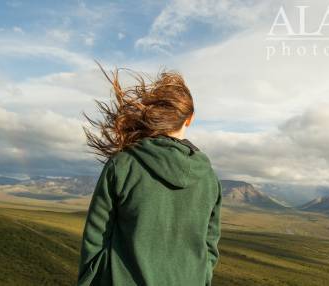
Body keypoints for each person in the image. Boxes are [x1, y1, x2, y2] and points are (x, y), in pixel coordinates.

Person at [77, 65, 222, 286]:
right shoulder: (209, 178)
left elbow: (95, 239)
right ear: (189, 119)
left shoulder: (123, 165)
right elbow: (210, 245)